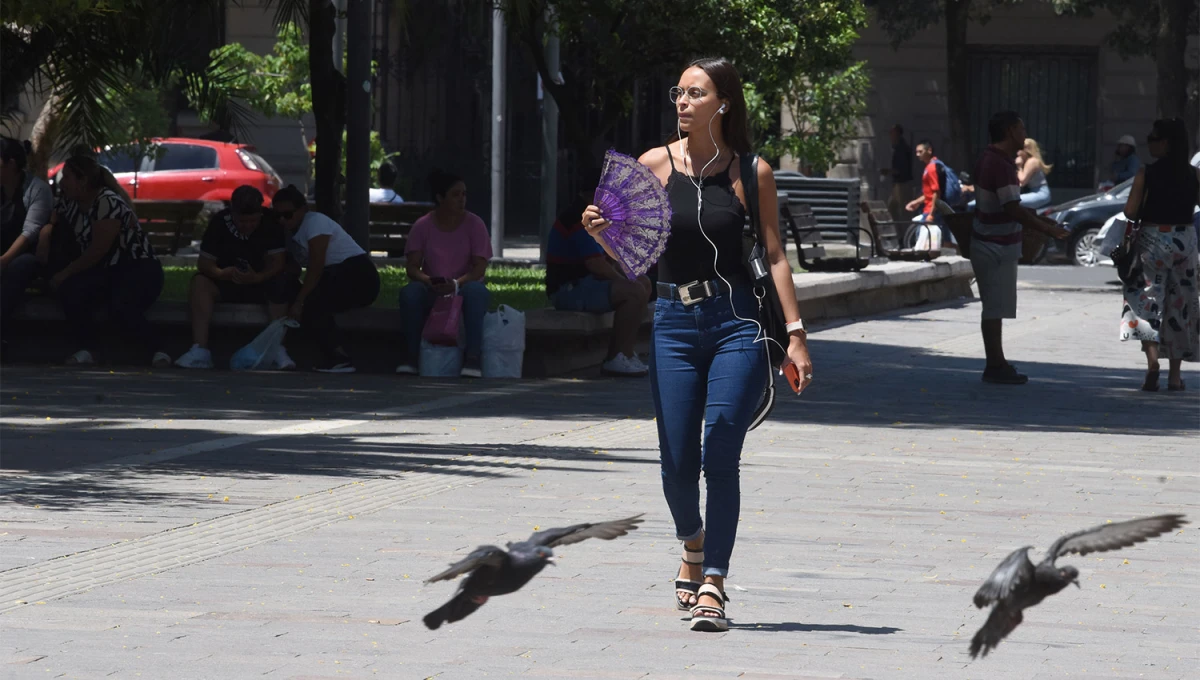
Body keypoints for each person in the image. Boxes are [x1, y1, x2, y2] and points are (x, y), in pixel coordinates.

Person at [581, 57, 813, 632]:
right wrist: (603, 233)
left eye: (695, 92)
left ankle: (714, 581)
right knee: (679, 463)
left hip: (736, 321)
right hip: (673, 323)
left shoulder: (751, 170)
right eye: (678, 92)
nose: (682, 101)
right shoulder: (652, 166)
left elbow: (776, 256)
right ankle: (692, 542)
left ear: (723, 103)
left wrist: (796, 336)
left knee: (721, 448)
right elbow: (631, 258)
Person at [39, 155, 169, 367]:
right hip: (106, 271)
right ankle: (87, 348)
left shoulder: (106, 201)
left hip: (137, 268)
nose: (62, 183)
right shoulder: (68, 204)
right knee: (71, 291)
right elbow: (49, 234)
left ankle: (158, 349)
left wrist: (65, 273)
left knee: (121, 305)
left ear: (83, 181)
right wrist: (47, 232)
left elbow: (97, 250)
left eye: (68, 177)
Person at [970, 111, 1070, 384]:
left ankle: (997, 362)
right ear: (1011, 130)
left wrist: (1036, 221)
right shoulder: (998, 164)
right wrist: (1047, 229)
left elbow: (1012, 205)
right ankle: (994, 366)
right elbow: (1012, 207)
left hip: (994, 242)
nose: (1025, 135)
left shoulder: (995, 159)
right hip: (993, 244)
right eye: (1021, 128)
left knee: (996, 306)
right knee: (993, 307)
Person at [175, 185, 298, 370]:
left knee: (280, 282)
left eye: (253, 221)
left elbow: (278, 262)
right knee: (200, 282)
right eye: (242, 221)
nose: (247, 226)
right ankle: (200, 350)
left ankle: (277, 347)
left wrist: (258, 277)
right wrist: (222, 273)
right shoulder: (220, 222)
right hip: (227, 281)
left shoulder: (270, 223)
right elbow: (204, 263)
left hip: (262, 282)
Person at [1119, 118, 1200, 391]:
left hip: (1153, 238)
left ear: (1166, 143)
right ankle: (1175, 377)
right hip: (1185, 240)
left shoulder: (1146, 172)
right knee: (1181, 305)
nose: (1148, 143)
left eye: (1153, 138)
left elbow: (1130, 211)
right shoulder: (1193, 174)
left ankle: (1152, 361)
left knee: (1145, 299)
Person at [272, 185, 380, 373]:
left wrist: (300, 300)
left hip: (357, 275)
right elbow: (297, 267)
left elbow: (316, 266)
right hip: (334, 275)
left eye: (287, 215)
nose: (282, 220)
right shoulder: (290, 232)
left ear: (303, 210)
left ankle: (339, 356)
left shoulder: (315, 223)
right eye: (277, 215)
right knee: (304, 296)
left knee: (313, 302)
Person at [396, 170, 492, 378]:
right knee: (410, 293)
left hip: (464, 288)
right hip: (433, 288)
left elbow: (479, 268)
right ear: (440, 198)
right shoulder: (423, 226)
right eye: (455, 195)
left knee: (476, 292)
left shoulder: (475, 224)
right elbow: (412, 267)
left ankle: (473, 358)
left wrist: (457, 284)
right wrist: (428, 280)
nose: (462, 199)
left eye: (464, 194)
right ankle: (410, 358)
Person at [546, 194, 651, 376]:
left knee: (644, 283)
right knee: (633, 292)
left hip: (589, 284)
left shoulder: (603, 217)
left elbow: (613, 259)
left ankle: (626, 352)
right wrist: (626, 282)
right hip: (568, 289)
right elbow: (597, 265)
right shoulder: (578, 219)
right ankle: (615, 357)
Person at [0, 138, 53, 330]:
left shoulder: (37, 189)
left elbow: (31, 231)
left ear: (10, 163)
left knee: (19, 266)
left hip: (29, 254)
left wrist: (3, 261)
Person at [904, 140, 945, 251]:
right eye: (917, 152)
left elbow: (936, 192)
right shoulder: (931, 166)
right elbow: (930, 193)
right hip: (929, 207)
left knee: (925, 235)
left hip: (930, 209)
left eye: (920, 152)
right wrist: (917, 202)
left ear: (929, 151)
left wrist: (931, 213)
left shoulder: (931, 169)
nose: (917, 155)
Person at [880, 124, 914, 221]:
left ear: (897, 134)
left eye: (892, 133)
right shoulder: (898, 148)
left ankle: (905, 234)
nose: (890, 136)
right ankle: (898, 233)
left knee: (904, 211)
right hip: (898, 184)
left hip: (903, 184)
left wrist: (887, 171)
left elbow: (900, 169)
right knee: (892, 208)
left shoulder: (901, 149)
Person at [1016, 138, 1053, 210]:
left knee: (1013, 202)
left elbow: (1022, 182)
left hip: (1040, 193)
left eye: (1019, 146)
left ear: (1026, 149)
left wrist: (1019, 166)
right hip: (1036, 192)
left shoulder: (1031, 161)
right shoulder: (1028, 161)